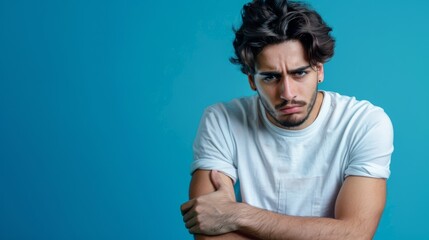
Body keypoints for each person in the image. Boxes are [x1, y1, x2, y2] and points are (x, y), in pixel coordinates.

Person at [180, 0, 394, 239]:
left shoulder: (364, 123)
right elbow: (209, 228)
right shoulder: (222, 121)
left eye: (299, 73)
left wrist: (238, 215)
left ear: (319, 70)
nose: (288, 93)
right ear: (252, 80)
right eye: (271, 77)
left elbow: (354, 234)